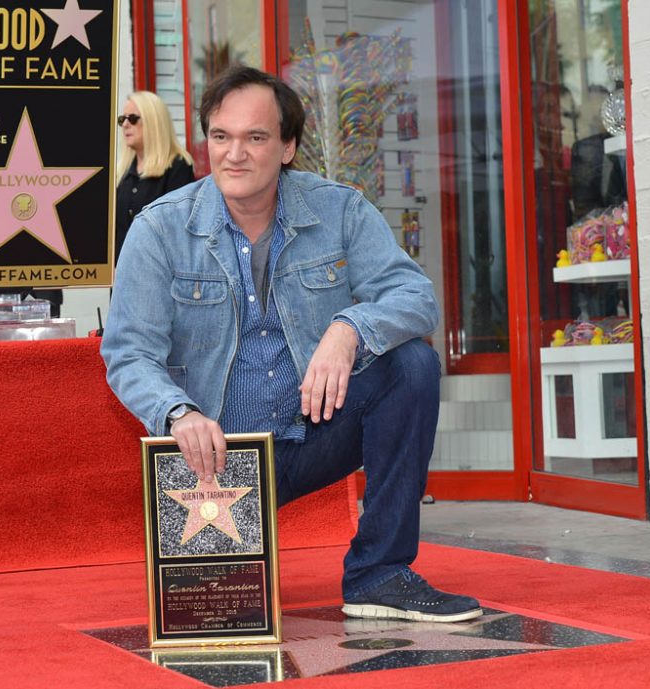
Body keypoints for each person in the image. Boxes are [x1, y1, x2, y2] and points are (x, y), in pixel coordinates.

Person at [101, 66, 481, 623]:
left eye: (255, 138)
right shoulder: (160, 229)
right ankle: (233, 542)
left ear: (287, 147)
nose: (235, 154)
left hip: (314, 431)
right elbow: (128, 352)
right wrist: (177, 412)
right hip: (214, 461)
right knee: (218, 613)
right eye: (221, 136)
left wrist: (349, 328)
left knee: (411, 364)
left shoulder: (339, 210)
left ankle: (379, 574)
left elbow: (416, 297)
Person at [114, 90, 195, 264]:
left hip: (158, 276)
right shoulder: (123, 171)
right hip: (122, 275)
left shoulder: (178, 167)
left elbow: (179, 231)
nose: (126, 125)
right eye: (122, 119)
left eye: (133, 119)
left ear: (154, 123)